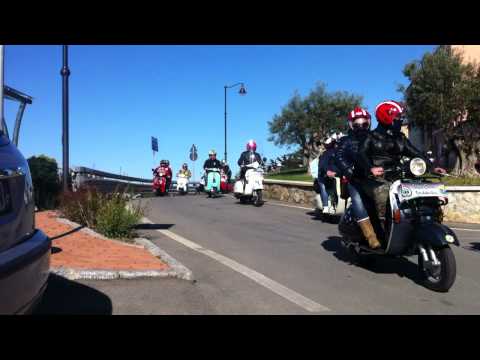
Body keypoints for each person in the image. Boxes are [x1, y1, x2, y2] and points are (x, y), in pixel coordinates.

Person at [357, 100, 446, 243]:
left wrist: (432, 167)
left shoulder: (400, 138)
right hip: (375, 179)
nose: (401, 120)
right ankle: (383, 231)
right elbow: (360, 155)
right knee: (383, 193)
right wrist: (370, 168)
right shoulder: (371, 137)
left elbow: (416, 153)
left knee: (426, 187)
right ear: (387, 117)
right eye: (398, 117)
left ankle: (429, 222)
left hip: (397, 177)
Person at [335, 107, 379, 248]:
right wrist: (349, 170)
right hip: (355, 179)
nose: (361, 127)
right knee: (359, 203)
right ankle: (371, 236)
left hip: (375, 178)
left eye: (364, 124)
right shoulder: (345, 141)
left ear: (369, 123)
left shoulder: (375, 137)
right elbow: (339, 156)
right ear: (351, 125)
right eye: (356, 125)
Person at [316, 136, 339, 215]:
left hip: (326, 175)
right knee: (334, 189)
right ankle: (332, 205)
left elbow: (322, 165)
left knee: (323, 186)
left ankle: (326, 206)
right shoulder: (339, 152)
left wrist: (328, 171)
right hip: (335, 174)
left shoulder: (325, 153)